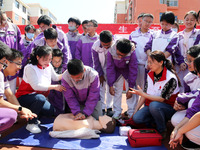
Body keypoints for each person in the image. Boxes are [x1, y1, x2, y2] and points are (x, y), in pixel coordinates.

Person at [129, 50, 180, 138]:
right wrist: (136, 109)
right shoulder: (150, 74)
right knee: (137, 118)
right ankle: (155, 122)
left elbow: (161, 99)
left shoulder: (170, 78)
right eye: (148, 62)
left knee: (154, 105)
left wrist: (143, 94)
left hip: (169, 109)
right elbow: (145, 93)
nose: (149, 65)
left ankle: (162, 129)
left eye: (151, 62)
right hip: (154, 107)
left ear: (161, 63)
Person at [15, 46, 66, 134]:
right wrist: (54, 87)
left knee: (50, 111)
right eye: (45, 59)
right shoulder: (30, 67)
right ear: (38, 57)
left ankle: (34, 115)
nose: (48, 62)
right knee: (40, 98)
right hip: (24, 97)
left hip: (38, 97)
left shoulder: (48, 65)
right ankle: (31, 123)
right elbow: (36, 86)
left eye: (50, 59)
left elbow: (56, 77)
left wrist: (67, 73)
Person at [0, 42, 36, 133]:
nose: (20, 67)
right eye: (18, 64)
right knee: (10, 114)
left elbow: (10, 95)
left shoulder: (3, 75)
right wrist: (20, 109)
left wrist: (21, 111)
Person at [170, 56, 200, 149]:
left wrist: (180, 131)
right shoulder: (188, 77)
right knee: (181, 123)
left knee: (188, 130)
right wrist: (176, 129)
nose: (198, 75)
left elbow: (198, 115)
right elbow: (194, 110)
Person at [107, 38, 138, 119]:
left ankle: (131, 113)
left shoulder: (132, 52)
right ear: (116, 48)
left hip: (127, 71)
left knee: (131, 93)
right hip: (117, 71)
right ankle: (117, 112)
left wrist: (130, 88)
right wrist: (111, 85)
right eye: (119, 54)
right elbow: (110, 67)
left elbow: (133, 69)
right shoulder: (111, 50)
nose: (120, 57)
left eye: (123, 55)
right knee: (117, 91)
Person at [0, 10, 26, 94]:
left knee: (11, 93)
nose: (4, 23)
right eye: (1, 22)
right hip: (1, 67)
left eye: (5, 20)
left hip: (12, 68)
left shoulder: (14, 28)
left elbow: (21, 47)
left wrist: (19, 63)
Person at [92, 30, 116, 116]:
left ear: (112, 40)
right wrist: (100, 74)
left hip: (113, 68)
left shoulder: (115, 44)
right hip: (100, 68)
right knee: (101, 88)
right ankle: (102, 107)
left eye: (108, 45)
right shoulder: (95, 46)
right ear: (100, 41)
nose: (106, 47)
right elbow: (96, 61)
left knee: (111, 87)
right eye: (104, 45)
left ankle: (109, 107)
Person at [129, 13, 154, 95]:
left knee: (146, 87)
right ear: (141, 21)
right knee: (134, 87)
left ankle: (145, 106)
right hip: (135, 65)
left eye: (150, 22)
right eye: (145, 21)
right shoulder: (133, 34)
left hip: (147, 65)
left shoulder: (153, 35)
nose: (147, 23)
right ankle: (132, 108)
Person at [176, 11, 199, 92]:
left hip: (194, 65)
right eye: (187, 19)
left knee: (192, 85)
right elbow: (176, 50)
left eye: (192, 20)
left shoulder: (198, 33)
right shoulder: (178, 35)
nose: (189, 22)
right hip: (180, 66)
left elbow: (196, 50)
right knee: (180, 85)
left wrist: (189, 62)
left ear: (196, 21)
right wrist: (181, 62)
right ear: (184, 20)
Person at [48, 49, 66, 115]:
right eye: (55, 61)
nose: (57, 63)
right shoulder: (48, 67)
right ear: (51, 60)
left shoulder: (64, 68)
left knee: (60, 102)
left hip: (61, 89)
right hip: (51, 88)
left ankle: (60, 113)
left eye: (59, 61)